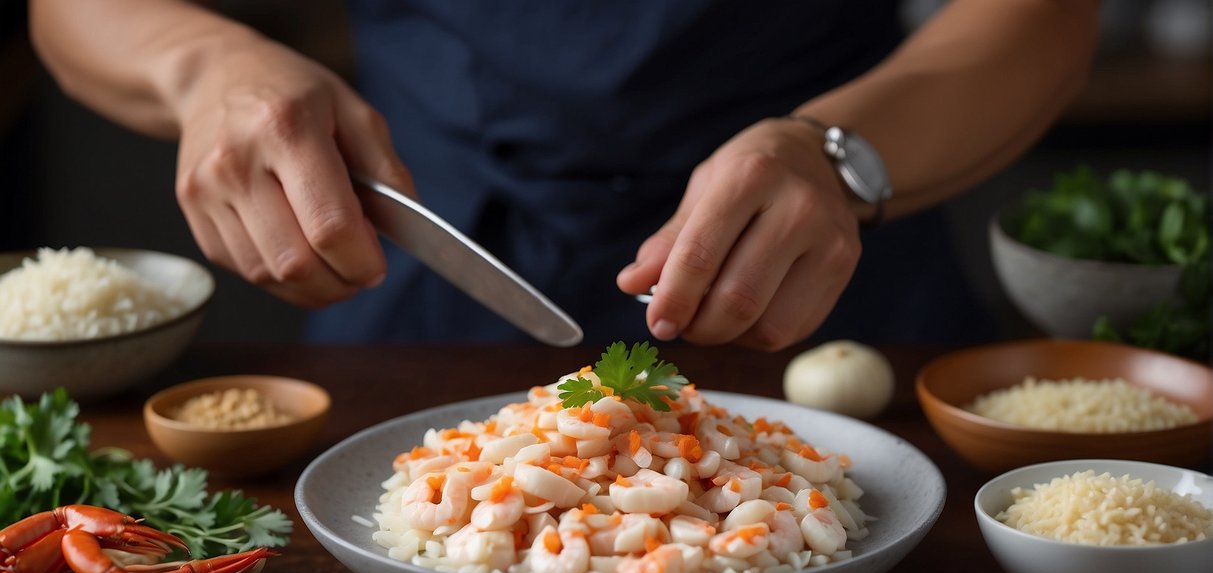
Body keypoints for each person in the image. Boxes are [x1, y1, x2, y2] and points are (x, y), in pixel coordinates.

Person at [28, 0, 1101, 349]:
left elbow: (1045, 16)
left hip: (832, 265)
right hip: (423, 283)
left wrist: (837, 154)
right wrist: (204, 65)